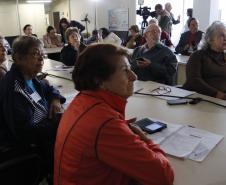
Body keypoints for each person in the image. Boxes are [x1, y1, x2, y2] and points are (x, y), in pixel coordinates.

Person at [54, 43, 174, 185]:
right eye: (125, 70)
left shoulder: (81, 102)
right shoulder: (105, 124)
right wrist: (145, 140)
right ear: (100, 81)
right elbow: (163, 176)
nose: (134, 76)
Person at [0, 36, 66, 179]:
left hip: (45, 134)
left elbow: (49, 88)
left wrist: (55, 99)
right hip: (33, 148)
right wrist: (58, 124)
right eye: (36, 54)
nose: (41, 58)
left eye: (42, 54)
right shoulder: (14, 89)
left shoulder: (30, 77)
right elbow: (26, 133)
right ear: (18, 58)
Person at [183, 21, 226, 99]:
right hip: (199, 100)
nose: (225, 38)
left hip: (220, 102)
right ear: (210, 39)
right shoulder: (197, 56)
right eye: (222, 35)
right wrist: (217, 94)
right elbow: (194, 81)